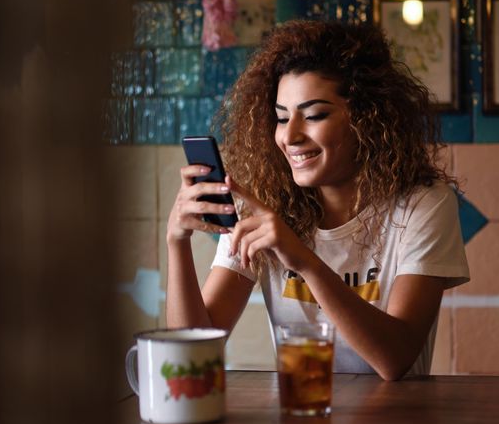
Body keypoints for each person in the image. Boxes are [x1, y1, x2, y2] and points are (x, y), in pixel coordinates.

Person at [165, 20, 469, 381]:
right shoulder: (262, 207)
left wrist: (303, 261)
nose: (290, 136)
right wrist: (177, 242)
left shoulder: (424, 205)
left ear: (366, 118)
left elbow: (394, 359)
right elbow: (195, 352)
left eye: (314, 116)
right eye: (281, 118)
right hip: (300, 416)